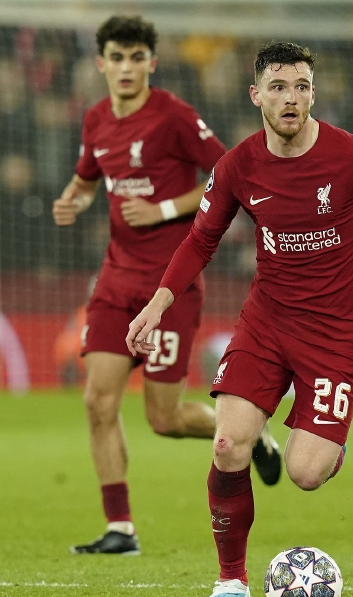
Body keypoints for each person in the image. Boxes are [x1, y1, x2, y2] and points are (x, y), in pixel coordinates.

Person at [126, 42, 353, 597]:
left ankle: (330, 444)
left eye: (302, 86)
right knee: (228, 444)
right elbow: (200, 240)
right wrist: (158, 303)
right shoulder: (237, 166)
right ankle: (231, 582)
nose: (291, 98)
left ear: (314, 93)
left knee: (306, 474)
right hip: (266, 323)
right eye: (279, 87)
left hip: (337, 334)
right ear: (256, 95)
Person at [52, 16, 282, 557]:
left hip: (168, 288)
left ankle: (253, 434)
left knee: (164, 418)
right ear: (101, 63)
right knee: (97, 400)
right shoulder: (96, 119)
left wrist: (161, 209)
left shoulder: (173, 116)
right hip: (115, 281)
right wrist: (73, 200)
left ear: (151, 63)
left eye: (137, 57)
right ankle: (120, 529)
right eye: (117, 57)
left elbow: (226, 173)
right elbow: (87, 178)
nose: (126, 67)